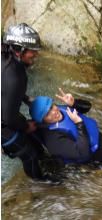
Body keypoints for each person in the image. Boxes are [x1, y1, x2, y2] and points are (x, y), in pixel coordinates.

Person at [1, 23, 47, 180]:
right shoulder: (14, 76)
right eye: (32, 51)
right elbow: (8, 118)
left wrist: (26, 98)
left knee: (32, 140)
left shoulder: (5, 57)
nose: (35, 54)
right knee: (29, 155)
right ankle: (42, 186)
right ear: (19, 50)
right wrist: (25, 126)